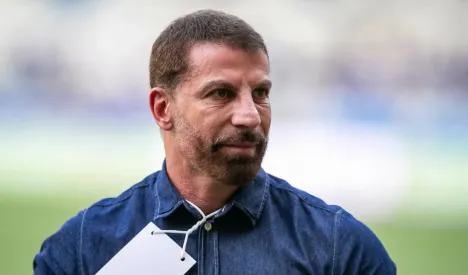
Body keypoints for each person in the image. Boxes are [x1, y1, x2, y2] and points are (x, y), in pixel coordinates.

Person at [33, 10, 396, 275]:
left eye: (261, 92)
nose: (250, 115)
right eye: (221, 93)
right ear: (163, 108)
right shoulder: (83, 248)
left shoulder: (339, 249)